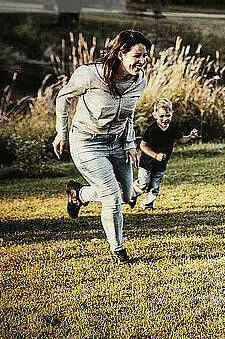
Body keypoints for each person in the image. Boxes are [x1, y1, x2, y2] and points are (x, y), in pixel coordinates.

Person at [52, 29, 151, 265]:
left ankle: (80, 194)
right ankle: (119, 251)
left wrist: (129, 143)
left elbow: (129, 113)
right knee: (112, 198)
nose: (142, 61)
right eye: (137, 56)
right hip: (87, 142)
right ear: (120, 54)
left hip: (117, 142)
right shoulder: (90, 74)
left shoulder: (140, 79)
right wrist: (61, 132)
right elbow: (63, 98)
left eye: (145, 55)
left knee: (127, 196)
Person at [129, 98, 199, 210]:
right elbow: (143, 146)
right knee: (143, 184)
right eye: (162, 116)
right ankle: (131, 195)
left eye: (168, 116)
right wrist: (156, 155)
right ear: (155, 115)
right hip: (147, 163)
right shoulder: (152, 130)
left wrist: (190, 137)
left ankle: (147, 205)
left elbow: (181, 139)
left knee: (155, 187)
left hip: (161, 165)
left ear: (171, 114)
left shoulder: (173, 128)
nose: (165, 119)